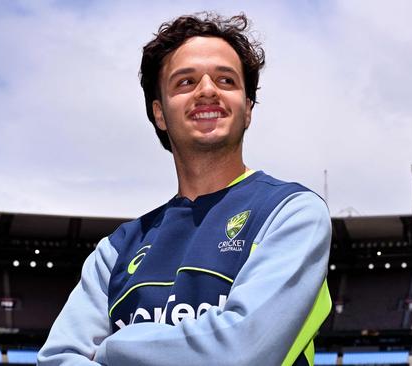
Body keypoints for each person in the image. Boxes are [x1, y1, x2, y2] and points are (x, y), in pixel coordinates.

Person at [37, 12, 332, 366]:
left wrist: (116, 346)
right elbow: (58, 358)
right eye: (185, 82)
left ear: (248, 109)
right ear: (159, 113)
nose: (207, 90)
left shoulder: (292, 213)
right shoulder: (114, 251)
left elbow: (239, 353)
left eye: (226, 80)